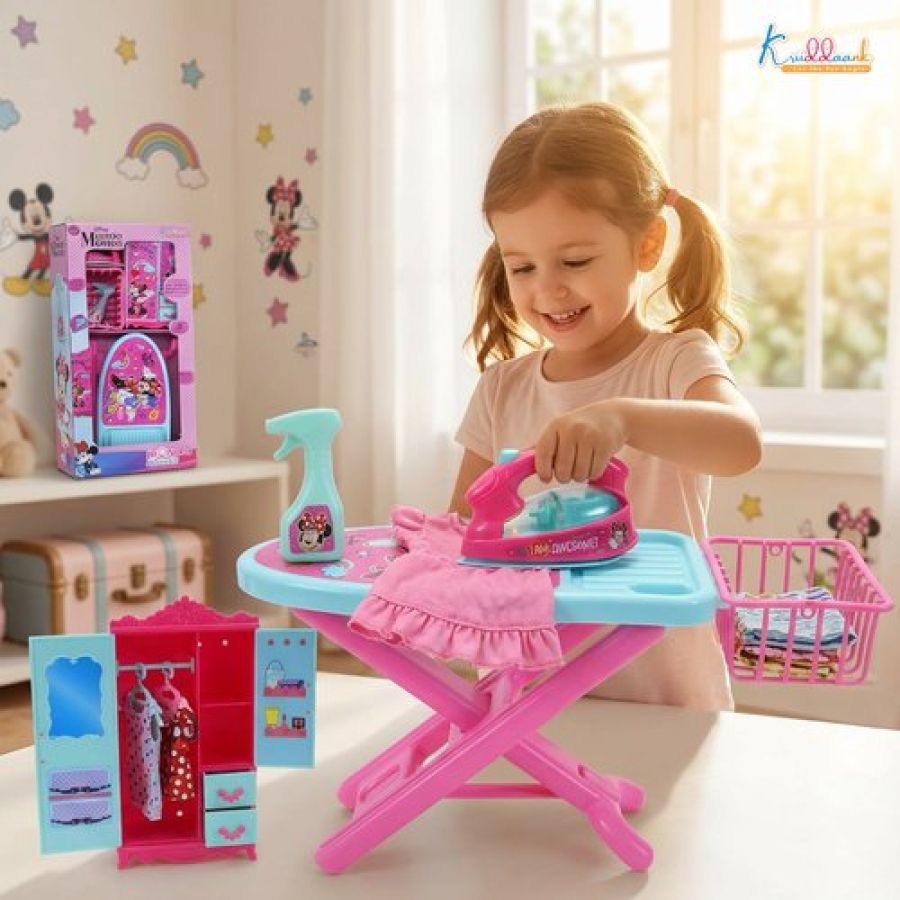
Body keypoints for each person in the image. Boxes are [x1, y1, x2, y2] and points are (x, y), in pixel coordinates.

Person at [450, 102, 762, 711]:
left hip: (664, 696)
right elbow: (463, 533)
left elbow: (740, 444)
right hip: (530, 700)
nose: (548, 288)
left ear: (647, 245)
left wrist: (623, 417)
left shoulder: (675, 361)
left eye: (575, 261)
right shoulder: (501, 389)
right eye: (522, 266)